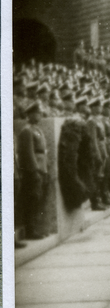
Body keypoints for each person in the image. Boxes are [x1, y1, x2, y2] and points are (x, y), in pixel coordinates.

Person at [17, 102, 49, 239]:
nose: (40, 115)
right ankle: (30, 229)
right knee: (32, 199)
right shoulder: (27, 130)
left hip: (41, 168)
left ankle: (35, 227)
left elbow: (43, 152)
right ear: (30, 115)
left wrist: (44, 169)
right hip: (34, 170)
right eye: (37, 113)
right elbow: (29, 153)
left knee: (38, 199)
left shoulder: (38, 129)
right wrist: (34, 170)